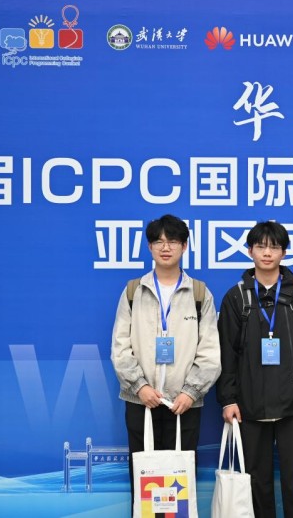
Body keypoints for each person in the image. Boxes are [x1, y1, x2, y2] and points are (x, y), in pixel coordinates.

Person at [216, 221, 293, 518]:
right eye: (261, 246)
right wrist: (228, 399)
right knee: (255, 482)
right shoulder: (236, 297)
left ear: (284, 252)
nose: (267, 253)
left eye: (274, 247)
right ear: (250, 251)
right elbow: (225, 353)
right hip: (249, 405)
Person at [111, 214, 221, 512]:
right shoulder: (134, 291)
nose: (165, 247)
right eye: (158, 241)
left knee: (178, 483)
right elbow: (120, 347)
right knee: (143, 479)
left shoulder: (199, 293)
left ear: (184, 246)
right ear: (149, 247)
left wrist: (191, 391)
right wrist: (139, 386)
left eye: (172, 241)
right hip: (141, 402)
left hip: (183, 404)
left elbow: (210, 351)